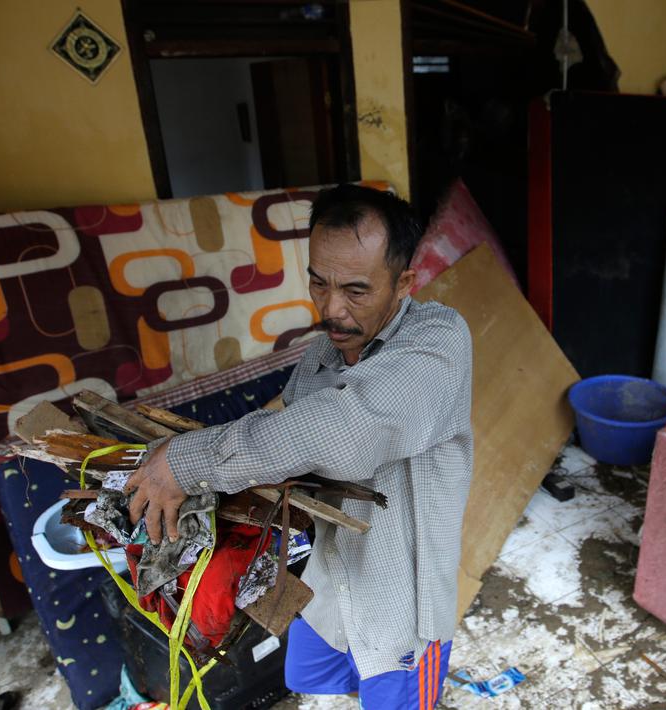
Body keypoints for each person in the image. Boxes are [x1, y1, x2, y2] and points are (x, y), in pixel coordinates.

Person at [123, 184, 474, 709]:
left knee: (395, 694)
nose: (332, 310)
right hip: (334, 573)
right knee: (312, 670)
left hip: (401, 600)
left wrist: (187, 461)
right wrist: (199, 465)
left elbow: (344, 429)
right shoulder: (323, 353)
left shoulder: (438, 341)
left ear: (404, 283)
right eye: (318, 283)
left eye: (356, 291)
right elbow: (283, 416)